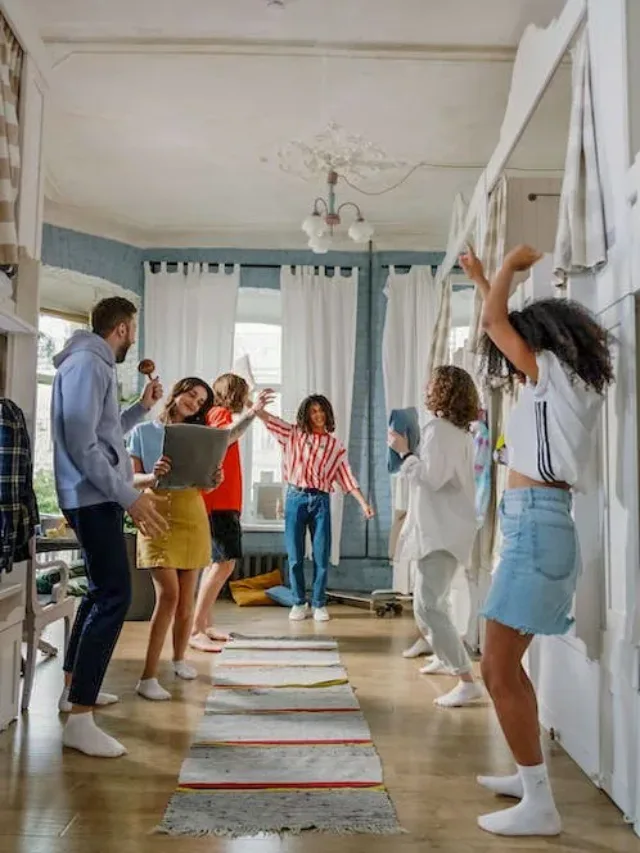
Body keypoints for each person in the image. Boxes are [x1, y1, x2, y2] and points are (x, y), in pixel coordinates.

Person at [460, 244, 613, 837]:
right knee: (506, 666)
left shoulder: (554, 376)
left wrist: (507, 268)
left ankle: (540, 806)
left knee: (496, 671)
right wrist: (479, 279)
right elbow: (497, 323)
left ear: (543, 342)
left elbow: (497, 323)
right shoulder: (557, 381)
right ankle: (530, 781)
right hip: (535, 522)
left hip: (538, 524)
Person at [52, 296, 167, 758]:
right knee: (116, 594)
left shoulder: (90, 365)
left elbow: (104, 434)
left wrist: (140, 408)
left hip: (95, 495)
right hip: (93, 496)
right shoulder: (90, 364)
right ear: (121, 328)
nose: (134, 339)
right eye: (133, 330)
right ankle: (80, 720)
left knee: (101, 592)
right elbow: (82, 446)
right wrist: (129, 496)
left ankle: (72, 690)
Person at [389, 366, 483, 708]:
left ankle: (465, 679)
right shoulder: (456, 432)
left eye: (431, 383)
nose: (426, 387)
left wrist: (404, 452)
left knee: (430, 603)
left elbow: (431, 478)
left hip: (443, 531)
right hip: (445, 528)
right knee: (430, 602)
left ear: (442, 391)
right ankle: (446, 658)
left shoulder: (440, 431)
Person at [127, 377, 222, 700]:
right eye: (192, 395)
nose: (194, 403)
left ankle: (180, 658)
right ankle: (147, 677)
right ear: (178, 392)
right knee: (168, 595)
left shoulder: (199, 437)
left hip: (192, 515)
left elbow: (204, 486)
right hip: (155, 512)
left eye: (201, 402)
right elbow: (132, 480)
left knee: (186, 599)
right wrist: (153, 475)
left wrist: (214, 479)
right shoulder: (142, 432)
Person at [257, 395, 374, 622]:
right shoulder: (292, 435)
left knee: (321, 555)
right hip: (295, 498)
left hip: (320, 501)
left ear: (327, 414)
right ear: (306, 415)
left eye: (321, 410)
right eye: (313, 411)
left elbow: (346, 477)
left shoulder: (334, 446)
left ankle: (319, 604)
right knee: (295, 556)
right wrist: (257, 408)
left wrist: (363, 503)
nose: (318, 415)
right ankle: (299, 602)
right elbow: (270, 420)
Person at [190, 375, 274, 652]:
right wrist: (253, 411)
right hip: (219, 503)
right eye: (244, 394)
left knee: (216, 564)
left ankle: (205, 625)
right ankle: (196, 629)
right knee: (224, 564)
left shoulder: (217, 413)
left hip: (223, 502)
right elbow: (226, 437)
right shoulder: (219, 412)